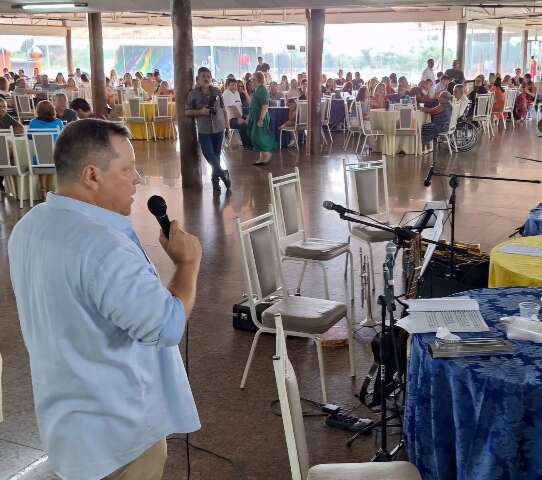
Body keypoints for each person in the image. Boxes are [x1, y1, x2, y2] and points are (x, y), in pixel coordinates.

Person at [8, 118, 201, 480]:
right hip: (120, 432)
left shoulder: (29, 226)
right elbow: (166, 326)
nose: (137, 178)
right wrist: (187, 264)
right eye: (127, 168)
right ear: (92, 175)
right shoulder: (102, 247)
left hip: (68, 423)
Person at [185, 66, 231, 193]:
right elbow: (187, 112)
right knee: (209, 155)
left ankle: (215, 182)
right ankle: (224, 174)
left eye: (208, 76)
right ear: (197, 79)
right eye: (203, 76)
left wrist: (227, 128)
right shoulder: (193, 94)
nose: (206, 78)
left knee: (216, 156)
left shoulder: (217, 91)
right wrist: (201, 111)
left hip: (219, 128)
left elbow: (223, 109)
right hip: (204, 130)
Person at [28, 100, 65, 197]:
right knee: (54, 156)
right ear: (52, 110)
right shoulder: (59, 122)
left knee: (41, 158)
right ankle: (59, 189)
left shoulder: (33, 123)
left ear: (38, 111)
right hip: (56, 158)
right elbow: (63, 138)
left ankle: (43, 189)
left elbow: (29, 137)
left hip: (40, 159)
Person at [248, 71, 276, 165]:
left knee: (257, 137)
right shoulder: (258, 89)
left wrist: (261, 119)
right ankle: (262, 158)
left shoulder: (262, 90)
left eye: (253, 79)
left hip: (261, 116)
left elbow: (265, 106)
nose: (251, 81)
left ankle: (267, 154)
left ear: (259, 79)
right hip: (256, 116)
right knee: (257, 136)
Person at [222, 78, 251, 148]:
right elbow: (233, 109)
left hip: (237, 117)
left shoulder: (236, 93)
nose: (234, 87)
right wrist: (244, 118)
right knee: (245, 124)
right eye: (231, 85)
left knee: (250, 121)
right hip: (229, 120)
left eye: (235, 85)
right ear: (227, 86)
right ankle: (247, 144)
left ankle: (249, 143)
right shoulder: (227, 94)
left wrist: (245, 118)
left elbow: (249, 103)